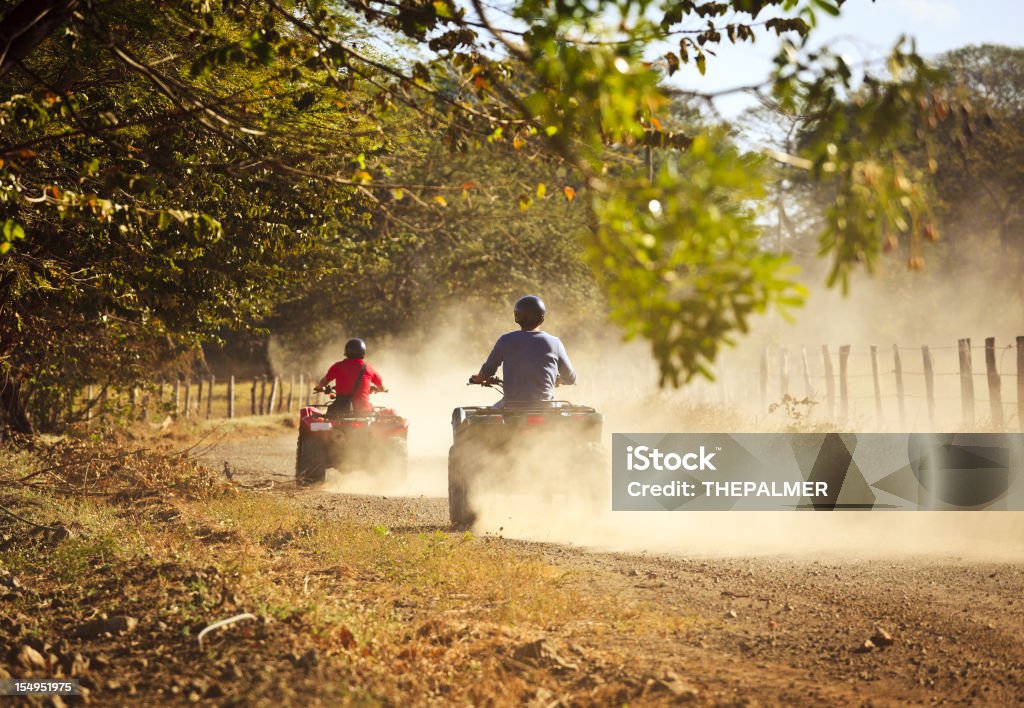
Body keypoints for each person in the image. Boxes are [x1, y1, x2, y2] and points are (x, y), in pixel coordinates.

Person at [470, 295, 576, 405]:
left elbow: (487, 371)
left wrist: (478, 378)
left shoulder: (506, 340)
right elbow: (570, 377)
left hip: (511, 407)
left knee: (481, 420)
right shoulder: (555, 343)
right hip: (547, 408)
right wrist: (559, 380)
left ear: (517, 318)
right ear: (542, 318)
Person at [315, 338, 386, 416]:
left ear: (346, 352)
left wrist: (319, 387)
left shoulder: (338, 366)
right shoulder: (368, 368)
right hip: (363, 411)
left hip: (340, 410)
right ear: (363, 352)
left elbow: (324, 381)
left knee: (327, 419)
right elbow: (382, 387)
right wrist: (377, 390)